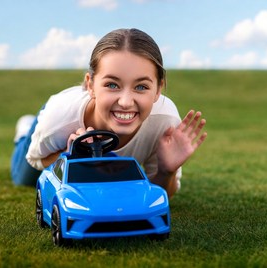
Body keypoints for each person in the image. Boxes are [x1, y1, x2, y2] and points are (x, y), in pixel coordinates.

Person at [11, 28, 207, 198]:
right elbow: (35, 160)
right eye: (112, 85)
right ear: (91, 85)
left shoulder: (165, 121)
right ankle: (25, 129)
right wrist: (69, 156)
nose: (125, 102)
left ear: (158, 89)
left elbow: (160, 193)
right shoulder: (60, 120)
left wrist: (166, 171)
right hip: (51, 121)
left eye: (141, 87)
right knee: (24, 180)